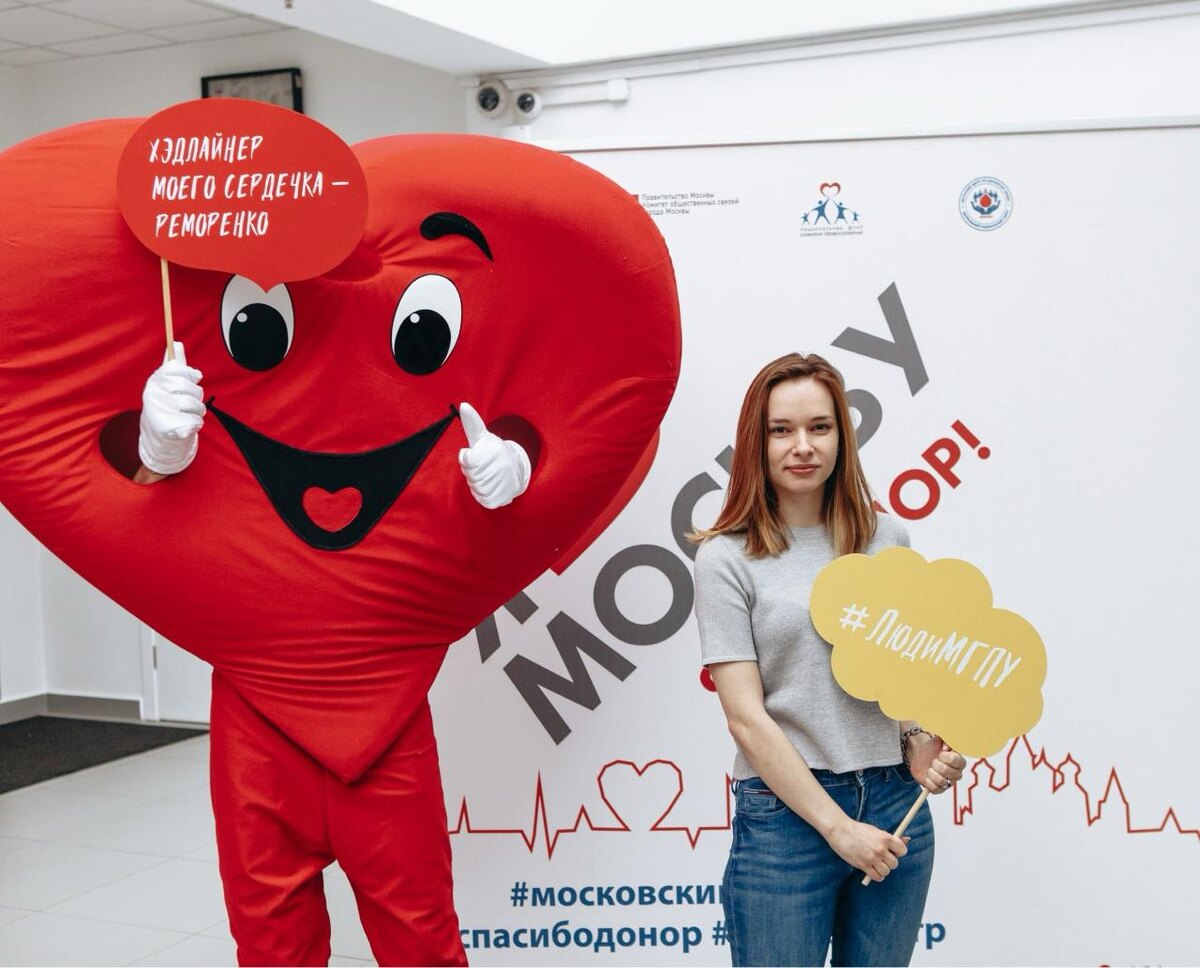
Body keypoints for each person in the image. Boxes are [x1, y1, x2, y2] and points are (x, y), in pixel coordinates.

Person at [134, 342, 530, 966]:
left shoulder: (404, 367)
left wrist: (519, 470)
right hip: (258, 709)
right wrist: (156, 457)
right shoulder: (217, 365)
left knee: (422, 944)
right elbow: (130, 522)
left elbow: (544, 406)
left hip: (382, 709)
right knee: (271, 947)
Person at [692, 352, 965, 968]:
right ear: (756, 442)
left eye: (820, 426)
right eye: (781, 430)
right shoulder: (725, 558)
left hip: (894, 804)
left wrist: (919, 742)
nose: (803, 446)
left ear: (843, 435)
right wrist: (837, 828)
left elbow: (898, 675)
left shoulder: (887, 539)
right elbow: (745, 718)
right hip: (786, 819)